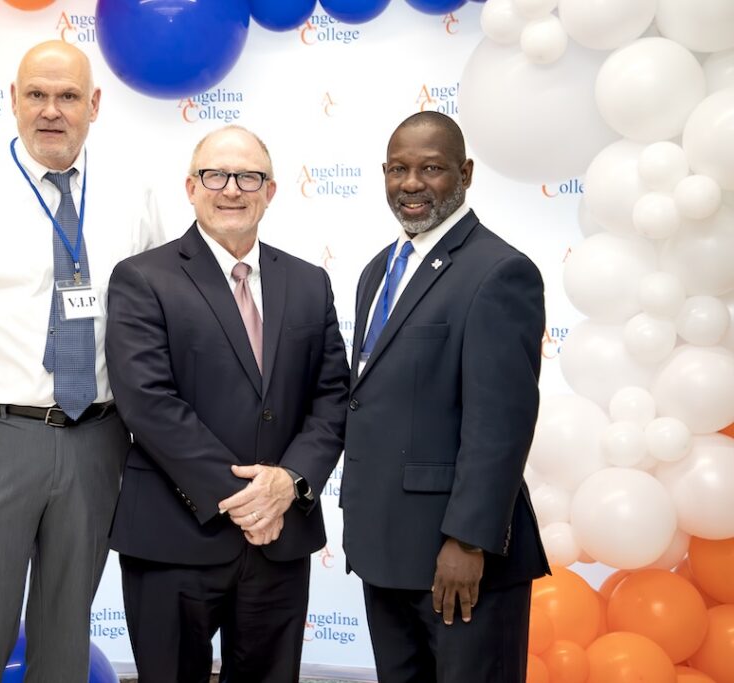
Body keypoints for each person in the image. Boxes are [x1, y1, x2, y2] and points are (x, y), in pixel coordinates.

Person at [0, 41, 163, 682]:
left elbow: (158, 321)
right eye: (36, 95)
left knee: (65, 638)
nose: (51, 110)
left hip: (99, 439)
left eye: (68, 96)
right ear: (13, 101)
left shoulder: (131, 193)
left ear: (93, 105)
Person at [104, 125, 349, 683]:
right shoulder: (143, 277)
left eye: (249, 177)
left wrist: (288, 482)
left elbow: (333, 396)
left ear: (271, 190)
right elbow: (147, 402)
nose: (232, 189)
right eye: (216, 175)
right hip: (173, 538)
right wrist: (246, 496)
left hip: (280, 540)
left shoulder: (311, 283)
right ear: (191, 187)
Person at [340, 111, 550, 683]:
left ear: (465, 173)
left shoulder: (500, 272)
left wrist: (468, 541)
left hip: (456, 561)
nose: (411, 184)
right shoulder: (377, 271)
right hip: (386, 551)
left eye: (431, 168)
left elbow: (500, 424)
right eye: (398, 169)